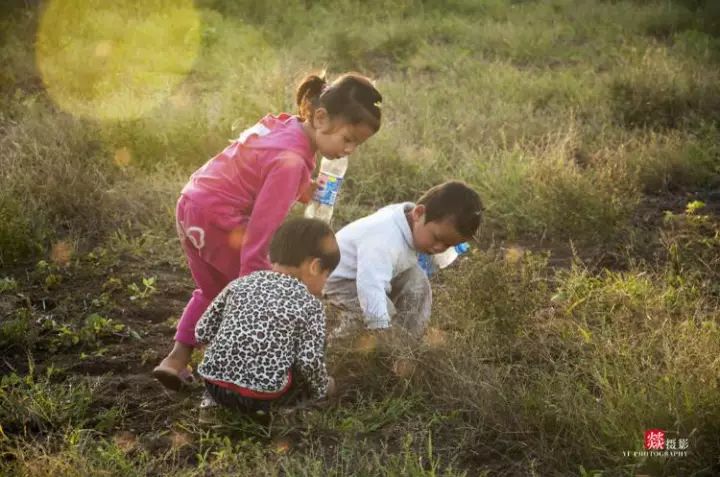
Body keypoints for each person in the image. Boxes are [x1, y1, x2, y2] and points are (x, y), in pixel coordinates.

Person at [153, 72, 382, 390]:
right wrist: (257, 289)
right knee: (255, 301)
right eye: (347, 139)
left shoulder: (286, 127)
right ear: (320, 117)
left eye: (357, 144)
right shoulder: (290, 163)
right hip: (222, 221)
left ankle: (175, 361)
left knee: (212, 291)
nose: (350, 150)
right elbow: (259, 239)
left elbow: (257, 166)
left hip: (192, 207)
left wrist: (303, 188)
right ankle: (238, 379)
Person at [195, 218, 340, 414]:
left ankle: (211, 405)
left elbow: (202, 331)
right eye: (326, 275)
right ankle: (284, 412)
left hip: (215, 385)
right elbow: (309, 361)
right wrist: (322, 388)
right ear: (315, 266)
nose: (325, 284)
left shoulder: (240, 284)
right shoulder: (311, 304)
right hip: (263, 397)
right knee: (314, 378)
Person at [324, 181, 483, 337]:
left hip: (373, 273)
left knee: (418, 282)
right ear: (418, 213)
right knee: (376, 314)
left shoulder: (411, 223)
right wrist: (380, 326)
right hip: (340, 281)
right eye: (437, 238)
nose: (439, 248)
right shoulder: (385, 238)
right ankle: (345, 347)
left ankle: (407, 342)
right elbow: (370, 285)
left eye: (448, 245)